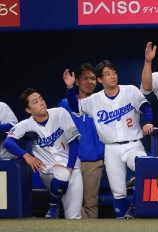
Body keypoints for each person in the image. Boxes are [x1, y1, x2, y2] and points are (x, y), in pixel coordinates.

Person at [63, 60, 154, 219]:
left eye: (113, 72)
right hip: (110, 148)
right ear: (100, 79)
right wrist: (70, 88)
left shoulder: (130, 91)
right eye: (107, 74)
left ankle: (133, 208)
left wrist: (149, 122)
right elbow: (75, 107)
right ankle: (122, 220)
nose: (112, 76)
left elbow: (146, 107)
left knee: (145, 169)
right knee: (118, 190)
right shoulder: (94, 100)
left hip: (133, 144)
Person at [4, 88, 82, 219]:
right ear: (28, 110)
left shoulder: (60, 113)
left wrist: (69, 167)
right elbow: (8, 142)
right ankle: (54, 204)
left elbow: (74, 142)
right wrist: (26, 155)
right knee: (62, 174)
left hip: (72, 167)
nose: (41, 102)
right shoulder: (26, 124)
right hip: (49, 170)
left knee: (74, 217)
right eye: (35, 102)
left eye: (41, 98)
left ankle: (55, 208)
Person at [58, 63, 105, 219]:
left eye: (92, 78)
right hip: (72, 161)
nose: (89, 82)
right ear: (77, 81)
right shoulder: (65, 104)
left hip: (93, 161)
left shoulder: (101, 102)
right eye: (85, 78)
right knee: (73, 204)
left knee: (90, 202)